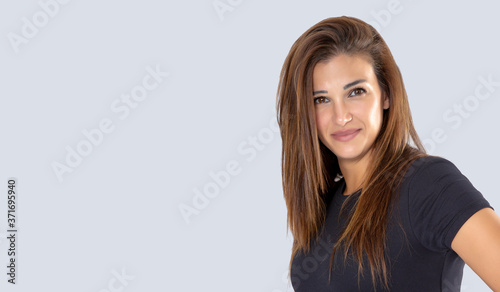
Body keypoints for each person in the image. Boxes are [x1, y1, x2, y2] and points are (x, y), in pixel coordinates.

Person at [276, 16, 500, 291]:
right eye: (321, 99)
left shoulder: (427, 184)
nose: (341, 116)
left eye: (356, 92)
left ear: (386, 94)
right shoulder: (322, 205)